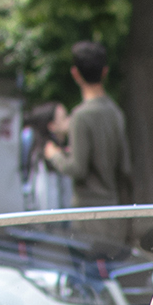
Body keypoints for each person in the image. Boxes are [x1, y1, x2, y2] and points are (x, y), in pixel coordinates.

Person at [43, 41, 132, 207]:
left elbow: (77, 169)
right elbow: (124, 167)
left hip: (87, 209)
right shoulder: (116, 113)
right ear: (105, 72)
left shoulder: (81, 116)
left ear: (75, 73)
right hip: (114, 206)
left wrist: (54, 154)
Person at [21, 102, 71, 210]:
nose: (69, 121)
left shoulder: (57, 150)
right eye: (64, 118)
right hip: (52, 218)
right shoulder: (46, 154)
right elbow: (47, 196)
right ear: (51, 126)